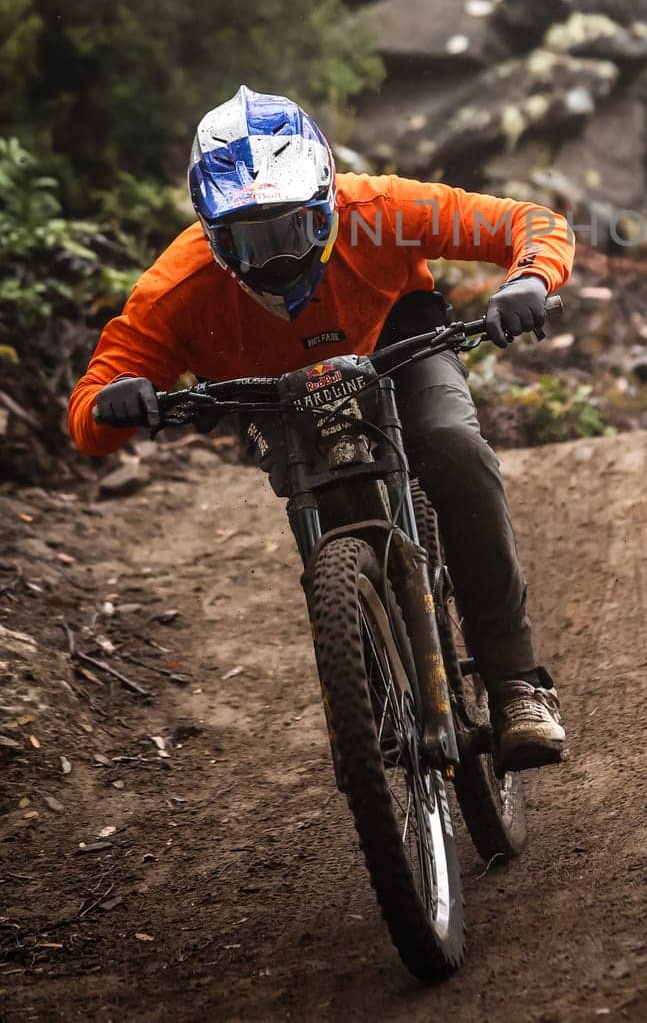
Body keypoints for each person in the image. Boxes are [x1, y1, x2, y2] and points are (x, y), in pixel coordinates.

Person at [68, 85, 573, 771]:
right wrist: (114, 404)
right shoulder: (178, 286)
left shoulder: (380, 210)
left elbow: (527, 221)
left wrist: (530, 280)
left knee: (453, 447)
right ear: (210, 233)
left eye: (292, 229)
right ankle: (365, 675)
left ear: (328, 203)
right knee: (330, 510)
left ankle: (516, 683)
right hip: (275, 392)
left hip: (398, 343)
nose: (275, 258)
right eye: (249, 239)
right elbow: (91, 407)